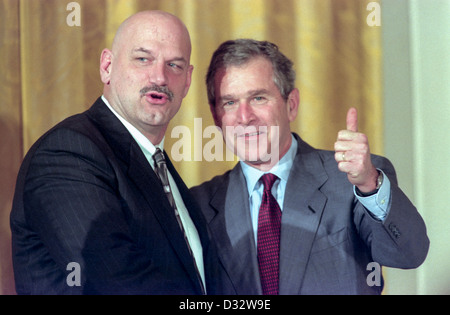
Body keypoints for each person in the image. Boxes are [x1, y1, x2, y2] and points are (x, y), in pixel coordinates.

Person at [190, 39, 429, 295]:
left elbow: (409, 254)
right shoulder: (197, 205)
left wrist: (369, 183)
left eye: (258, 98)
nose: (245, 117)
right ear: (216, 117)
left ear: (291, 105)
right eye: (230, 103)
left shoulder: (354, 179)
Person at [10, 10, 214, 295]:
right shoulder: (67, 153)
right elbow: (118, 284)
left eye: (175, 65)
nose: (160, 76)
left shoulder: (158, 165)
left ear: (188, 80)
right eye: (143, 59)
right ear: (107, 66)